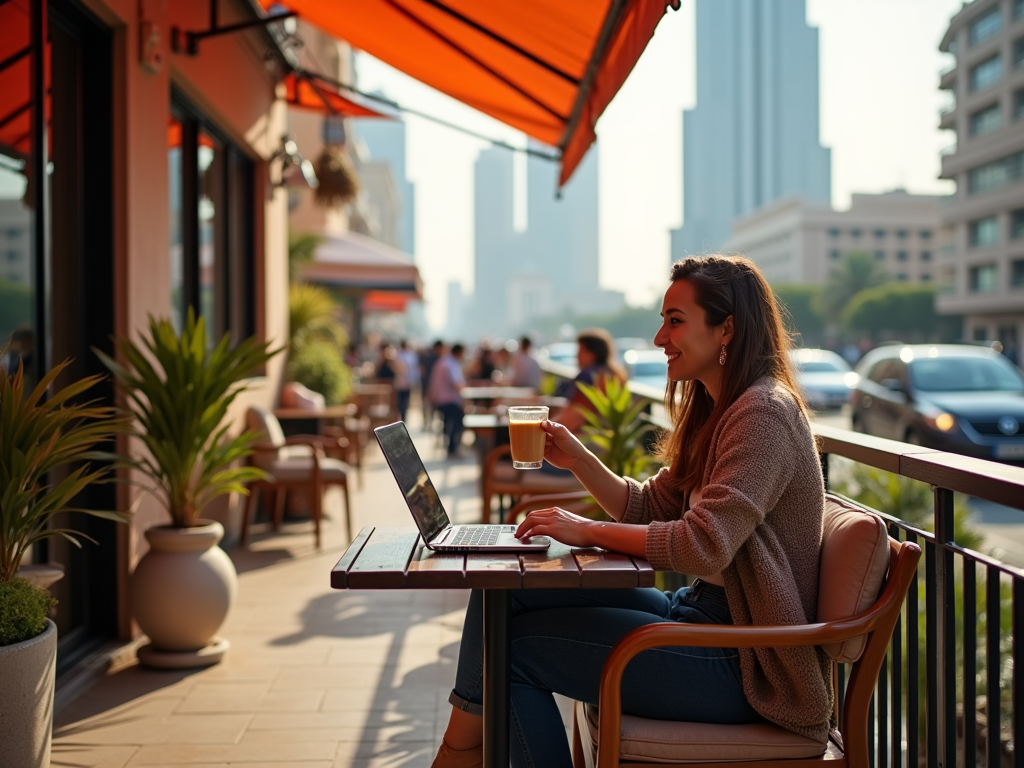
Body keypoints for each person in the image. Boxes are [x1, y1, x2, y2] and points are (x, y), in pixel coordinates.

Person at [430, 255, 830, 768]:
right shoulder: (721, 410)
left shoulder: (763, 414)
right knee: (506, 594)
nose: (660, 338)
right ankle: (459, 750)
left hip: (749, 662)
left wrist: (582, 529)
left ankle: (456, 753)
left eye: (675, 321)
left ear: (726, 328)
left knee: (515, 657)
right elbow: (651, 506)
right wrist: (579, 460)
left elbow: (699, 543)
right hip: (703, 618)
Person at [553, 327, 627, 435]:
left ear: (592, 353)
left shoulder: (588, 376)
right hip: (607, 438)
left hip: (586, 439)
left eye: (580, 351)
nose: (577, 356)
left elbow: (572, 418)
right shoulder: (615, 374)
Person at [428, 342, 467, 458]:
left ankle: (449, 444)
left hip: (439, 399)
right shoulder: (451, 364)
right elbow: (456, 384)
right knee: (458, 421)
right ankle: (452, 448)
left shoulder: (442, 362)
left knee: (449, 422)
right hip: (449, 400)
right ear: (459, 352)